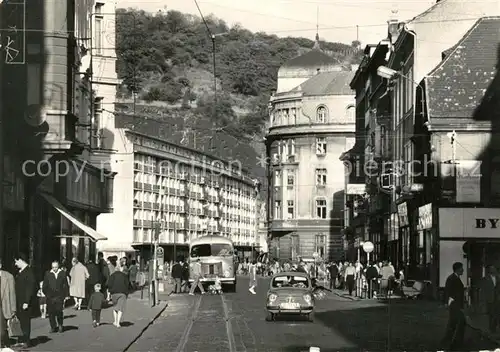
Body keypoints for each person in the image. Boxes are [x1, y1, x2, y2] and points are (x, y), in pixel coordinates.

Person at [13, 253, 35, 348]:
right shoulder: (21, 271)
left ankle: (26, 341)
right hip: (19, 301)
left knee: (25, 321)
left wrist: (27, 301)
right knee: (21, 320)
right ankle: (21, 340)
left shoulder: (29, 272)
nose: (15, 264)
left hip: (24, 302)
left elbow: (30, 287)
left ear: (21, 260)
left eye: (16, 261)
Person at [442, 262, 465, 351]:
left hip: (457, 305)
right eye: (462, 268)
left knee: (454, 324)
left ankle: (449, 342)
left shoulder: (455, 278)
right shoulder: (452, 278)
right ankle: (453, 343)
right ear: (458, 269)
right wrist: (448, 302)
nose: (463, 270)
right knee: (458, 323)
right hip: (455, 305)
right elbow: (447, 291)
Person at [43, 260, 69, 334]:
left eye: (56, 267)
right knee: (51, 312)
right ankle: (53, 327)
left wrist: (66, 295)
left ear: (58, 266)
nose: (54, 269)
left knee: (59, 311)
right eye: (53, 267)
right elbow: (45, 286)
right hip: (50, 297)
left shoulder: (62, 273)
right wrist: (47, 294)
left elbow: (65, 285)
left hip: (59, 296)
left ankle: (60, 325)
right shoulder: (48, 274)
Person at [0, 258, 16, 348]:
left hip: (4, 307)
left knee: (2, 331)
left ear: (0, 265)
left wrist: (13, 309)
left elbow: (12, 293)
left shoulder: (8, 277)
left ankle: (5, 344)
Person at [480, 265, 500, 333]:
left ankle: (496, 327)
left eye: (494, 268)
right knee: (491, 314)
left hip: (498, 299)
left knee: (497, 313)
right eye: (491, 269)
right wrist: (483, 301)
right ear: (489, 270)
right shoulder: (485, 278)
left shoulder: (498, 277)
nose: (493, 270)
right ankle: (492, 329)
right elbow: (483, 290)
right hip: (490, 299)